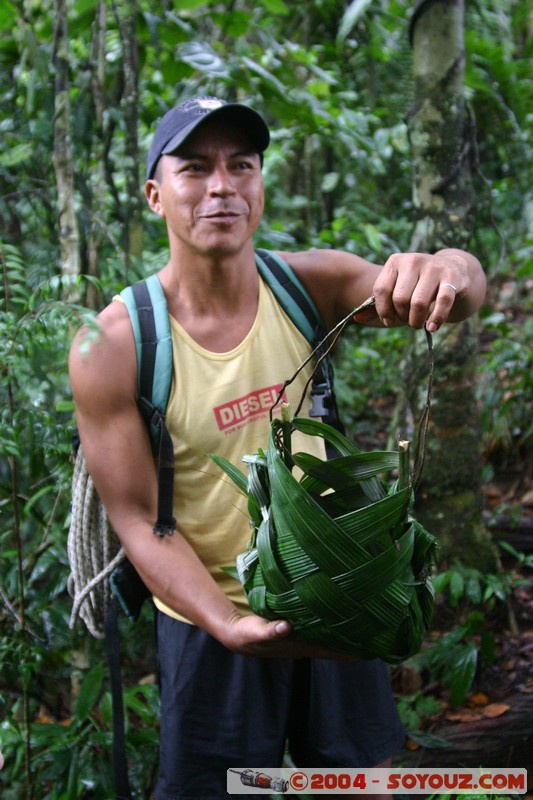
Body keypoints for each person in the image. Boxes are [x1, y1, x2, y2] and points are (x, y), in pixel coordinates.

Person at [69, 96, 487, 799]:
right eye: (194, 168)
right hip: (208, 618)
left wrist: (446, 267)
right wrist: (228, 621)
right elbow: (139, 517)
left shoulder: (309, 287)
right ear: (154, 195)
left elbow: (460, 287)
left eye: (241, 165)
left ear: (260, 183)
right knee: (220, 789)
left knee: (351, 781)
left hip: (335, 597)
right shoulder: (114, 343)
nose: (221, 186)